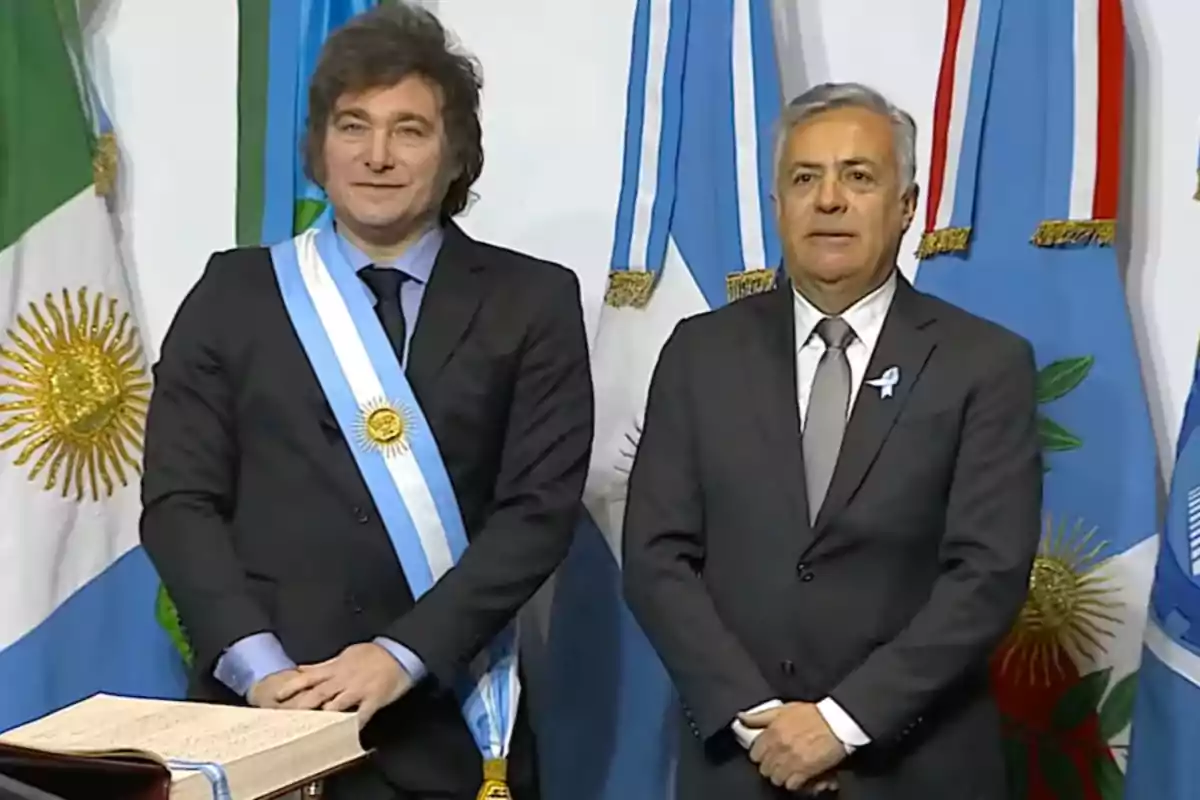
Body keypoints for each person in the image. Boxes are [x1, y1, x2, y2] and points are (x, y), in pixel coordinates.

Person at [139, 6, 593, 799]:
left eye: (409, 130)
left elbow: (537, 513)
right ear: (319, 147)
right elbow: (179, 500)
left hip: (445, 724)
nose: (377, 155)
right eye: (354, 126)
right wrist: (258, 668)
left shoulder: (534, 301)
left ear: (456, 155)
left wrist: (400, 656)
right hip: (257, 721)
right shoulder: (232, 292)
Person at [621, 82, 1042, 799]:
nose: (829, 200)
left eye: (859, 177)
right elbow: (656, 555)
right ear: (777, 205)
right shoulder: (699, 352)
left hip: (916, 766)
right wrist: (762, 724)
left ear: (906, 206)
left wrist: (842, 724)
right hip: (741, 764)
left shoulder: (985, 363)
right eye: (804, 178)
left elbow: (988, 573)